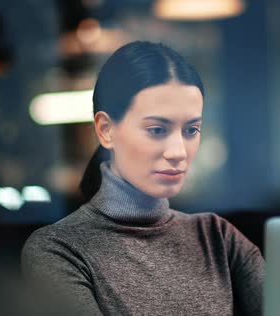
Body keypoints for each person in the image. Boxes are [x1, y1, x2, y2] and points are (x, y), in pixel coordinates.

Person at [21, 41, 264, 315]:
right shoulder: (59, 249)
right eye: (157, 130)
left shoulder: (216, 237)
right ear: (106, 130)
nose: (178, 152)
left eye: (191, 130)